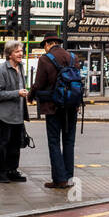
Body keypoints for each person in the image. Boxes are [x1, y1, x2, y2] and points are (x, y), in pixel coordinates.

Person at [29, 32, 82, 189]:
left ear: (47, 44)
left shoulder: (45, 59)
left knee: (54, 142)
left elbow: (39, 83)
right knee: (69, 142)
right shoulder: (73, 57)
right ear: (57, 43)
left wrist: (30, 96)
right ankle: (69, 177)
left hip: (53, 107)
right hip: (72, 106)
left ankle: (60, 179)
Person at [0, 40, 29, 183]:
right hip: (5, 115)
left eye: (21, 51)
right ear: (9, 54)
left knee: (16, 144)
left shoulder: (21, 67)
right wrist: (17, 93)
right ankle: (0, 173)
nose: (21, 54)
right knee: (4, 144)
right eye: (17, 51)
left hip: (18, 113)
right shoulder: (1, 70)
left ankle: (12, 171)